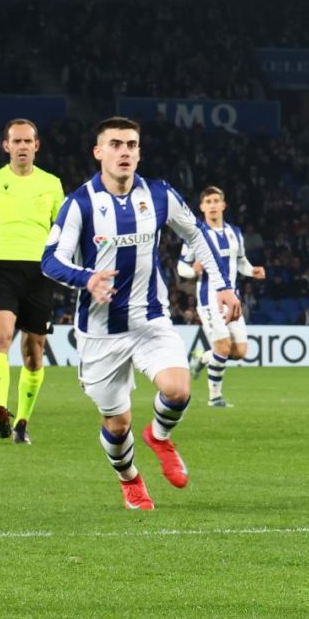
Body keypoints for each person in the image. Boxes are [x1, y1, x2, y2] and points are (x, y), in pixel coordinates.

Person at [42, 117, 240, 510]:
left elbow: (196, 236)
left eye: (131, 144)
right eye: (115, 144)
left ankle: (161, 437)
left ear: (139, 152)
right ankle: (129, 477)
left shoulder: (160, 194)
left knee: (178, 388)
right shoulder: (80, 203)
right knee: (117, 426)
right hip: (101, 332)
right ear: (99, 152)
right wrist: (87, 279)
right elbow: (50, 260)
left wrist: (222, 284)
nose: (124, 152)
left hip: (150, 318)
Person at [0, 120, 64, 444]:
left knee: (33, 352)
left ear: (36, 146)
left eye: (28, 141)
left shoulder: (52, 184)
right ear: (6, 146)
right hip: (0, 269)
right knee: (1, 336)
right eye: (17, 141)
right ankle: (0, 407)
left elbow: (63, 228)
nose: (23, 146)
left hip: (39, 272)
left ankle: (22, 422)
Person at [178, 186, 265, 407]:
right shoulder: (195, 236)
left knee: (239, 352)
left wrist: (252, 271)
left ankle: (202, 357)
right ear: (202, 207)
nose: (213, 205)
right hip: (209, 300)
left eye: (216, 200)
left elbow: (241, 261)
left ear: (223, 205)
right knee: (224, 347)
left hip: (232, 301)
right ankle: (215, 397)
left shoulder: (234, 232)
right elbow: (181, 268)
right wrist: (194, 271)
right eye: (208, 202)